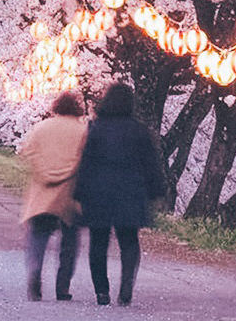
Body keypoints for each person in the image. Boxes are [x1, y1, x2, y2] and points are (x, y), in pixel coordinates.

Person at [74, 83, 165, 306]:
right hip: (130, 192)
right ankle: (126, 287)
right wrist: (156, 192)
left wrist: (80, 193)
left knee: (98, 242)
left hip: (99, 193)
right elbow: (150, 164)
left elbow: (86, 163)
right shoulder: (139, 130)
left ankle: (102, 291)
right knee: (129, 241)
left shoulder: (96, 128)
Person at [20, 91, 88, 302]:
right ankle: (62, 286)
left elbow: (28, 151)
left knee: (38, 236)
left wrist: (42, 172)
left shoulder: (41, 128)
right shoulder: (83, 130)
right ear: (77, 108)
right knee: (69, 241)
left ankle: (34, 269)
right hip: (69, 192)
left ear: (56, 106)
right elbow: (86, 157)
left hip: (43, 191)